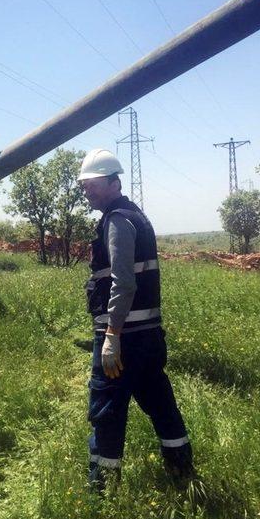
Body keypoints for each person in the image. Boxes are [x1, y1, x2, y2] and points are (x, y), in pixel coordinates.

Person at [78, 148, 194, 490]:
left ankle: (101, 491)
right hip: (147, 338)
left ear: (114, 183)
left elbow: (124, 282)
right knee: (160, 404)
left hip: (124, 338)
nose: (86, 190)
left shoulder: (117, 220)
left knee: (106, 411)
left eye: (93, 184)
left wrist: (112, 334)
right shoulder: (137, 216)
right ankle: (183, 474)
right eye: (83, 185)